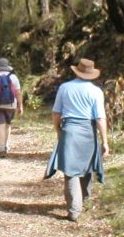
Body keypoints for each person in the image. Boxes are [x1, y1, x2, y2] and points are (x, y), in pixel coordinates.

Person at [47, 58, 109, 222]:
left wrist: (58, 130)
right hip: (89, 131)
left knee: (70, 170)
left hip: (69, 130)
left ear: (77, 71)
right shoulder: (96, 92)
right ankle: (84, 199)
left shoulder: (64, 88)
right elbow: (100, 118)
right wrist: (105, 141)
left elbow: (56, 113)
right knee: (87, 165)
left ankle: (74, 208)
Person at [0, 58, 23, 157]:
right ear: (7, 67)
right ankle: (7, 145)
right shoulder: (13, 77)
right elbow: (18, 93)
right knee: (8, 125)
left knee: (0, 126)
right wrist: (20, 106)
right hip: (11, 104)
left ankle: (2, 147)